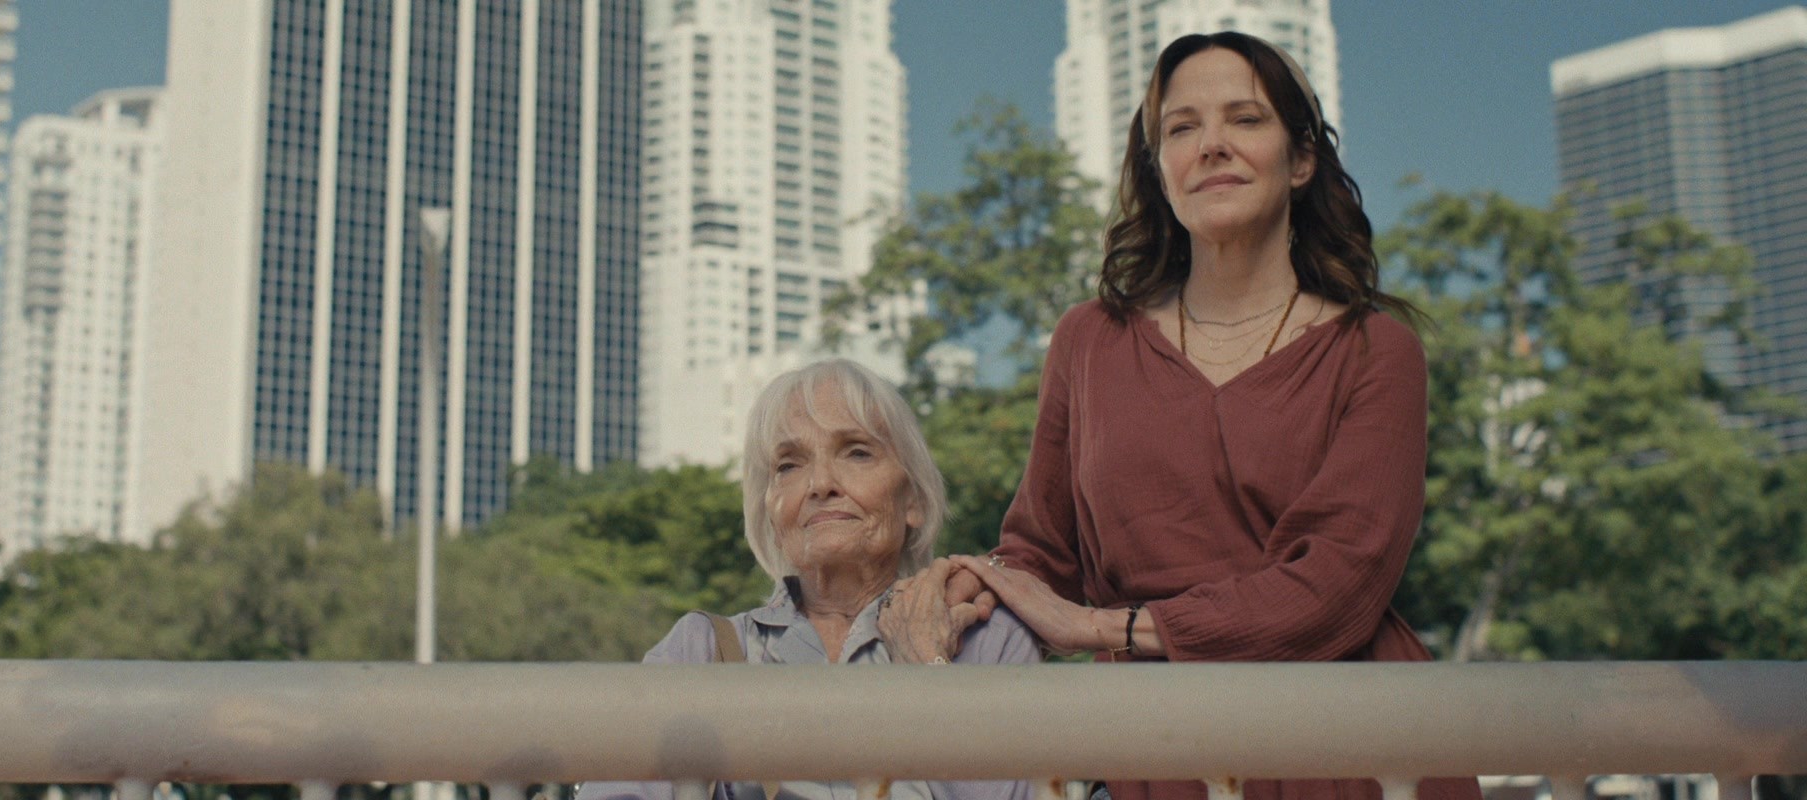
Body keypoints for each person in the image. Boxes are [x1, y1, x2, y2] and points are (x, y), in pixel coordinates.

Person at [941, 32, 1482, 800]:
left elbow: (1335, 587)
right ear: (1159, 169)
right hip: (1153, 748)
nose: (1211, 145)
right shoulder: (1088, 341)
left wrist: (1105, 629)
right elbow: (1038, 556)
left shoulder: (1377, 351)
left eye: (1245, 119)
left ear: (1301, 159)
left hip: (1347, 743)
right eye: (1182, 128)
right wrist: (964, 591)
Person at [579, 358, 1040, 800]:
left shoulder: (988, 641)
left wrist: (930, 675)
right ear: (770, 510)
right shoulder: (701, 649)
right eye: (789, 465)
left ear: (913, 500)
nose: (820, 483)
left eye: (857, 452)